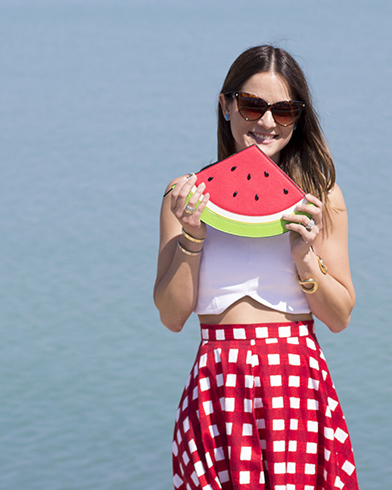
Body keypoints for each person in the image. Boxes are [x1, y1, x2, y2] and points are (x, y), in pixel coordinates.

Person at [154, 45, 359, 490]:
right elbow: (171, 317)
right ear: (226, 106)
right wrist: (192, 235)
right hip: (218, 388)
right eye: (252, 105)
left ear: (297, 119)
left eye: (283, 111)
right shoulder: (185, 195)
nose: (266, 123)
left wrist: (304, 255)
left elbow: (340, 317)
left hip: (297, 385)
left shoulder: (320, 197)